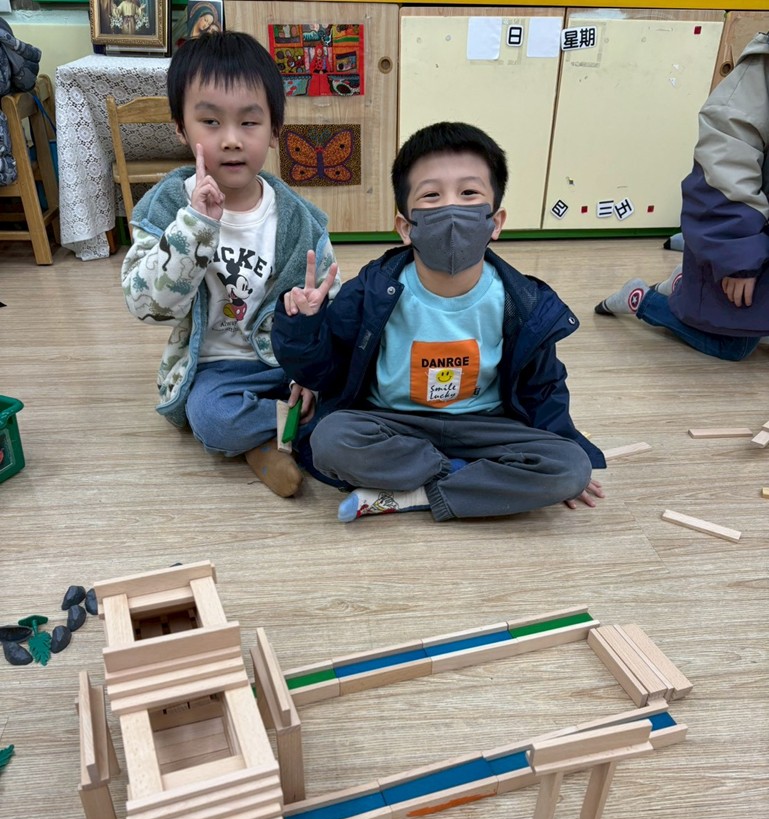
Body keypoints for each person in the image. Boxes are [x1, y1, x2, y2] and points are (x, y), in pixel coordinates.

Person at [272, 121, 605, 523]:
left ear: (495, 222)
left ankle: (414, 492)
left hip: (486, 426)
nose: (451, 209)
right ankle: (466, 482)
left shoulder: (521, 301)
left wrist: (565, 452)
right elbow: (324, 369)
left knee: (571, 466)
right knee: (330, 440)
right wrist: (304, 324)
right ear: (405, 227)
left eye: (469, 194)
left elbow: (543, 386)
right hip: (392, 424)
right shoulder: (373, 290)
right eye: (431, 195)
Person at [121, 31, 339, 497]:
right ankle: (287, 433)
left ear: (275, 130)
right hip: (215, 370)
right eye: (210, 122)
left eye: (250, 122)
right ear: (181, 129)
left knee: (351, 378)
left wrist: (312, 327)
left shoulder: (300, 220)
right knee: (212, 419)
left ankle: (268, 440)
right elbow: (147, 307)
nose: (232, 140)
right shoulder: (165, 208)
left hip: (285, 364)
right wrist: (195, 227)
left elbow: (330, 300)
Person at [595, 32, 769, 362]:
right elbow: (724, 168)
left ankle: (685, 286)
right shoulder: (759, 75)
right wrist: (737, 258)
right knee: (733, 344)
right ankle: (642, 299)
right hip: (741, 241)